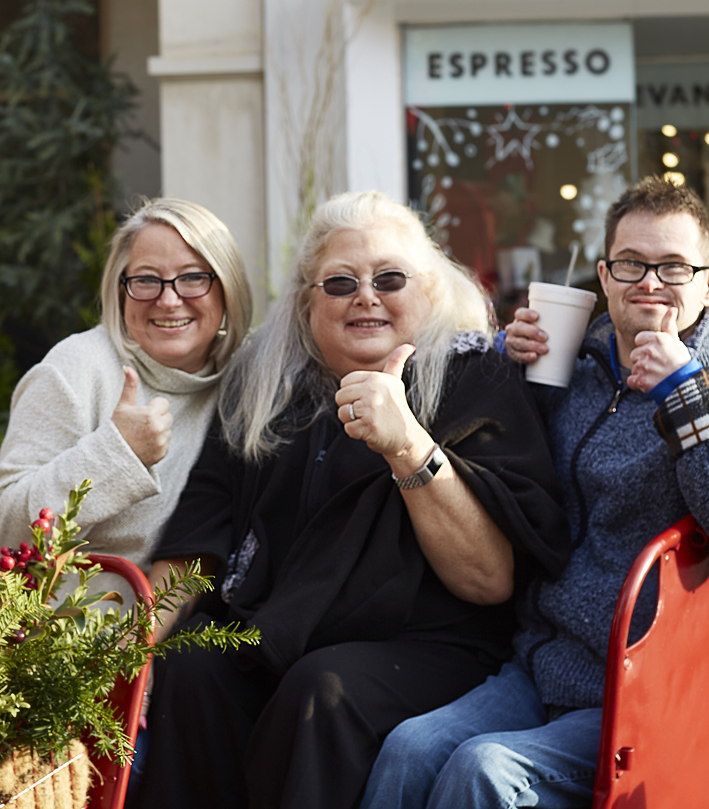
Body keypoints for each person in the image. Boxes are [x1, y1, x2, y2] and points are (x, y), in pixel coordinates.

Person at [360, 176, 709, 809]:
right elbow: (504, 464)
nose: (648, 283)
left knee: (483, 769)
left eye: (673, 267)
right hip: (538, 662)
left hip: (645, 689)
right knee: (410, 747)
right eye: (631, 264)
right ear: (604, 275)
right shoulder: (576, 368)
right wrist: (501, 359)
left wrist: (684, 389)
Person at [130, 191, 570, 809]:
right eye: (340, 284)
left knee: (322, 689)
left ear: (432, 291)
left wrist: (407, 446)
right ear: (309, 303)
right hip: (278, 631)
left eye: (389, 278)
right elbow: (199, 537)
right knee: (196, 666)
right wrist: (130, 651)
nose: (366, 296)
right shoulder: (267, 391)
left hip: (430, 647)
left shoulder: (477, 379)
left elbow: (488, 580)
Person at [0, 197, 253, 578]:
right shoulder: (78, 367)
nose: (169, 299)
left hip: (188, 625)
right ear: (120, 289)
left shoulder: (246, 379)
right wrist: (115, 453)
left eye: (193, 277)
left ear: (226, 287)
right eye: (146, 279)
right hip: (68, 627)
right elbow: (8, 530)